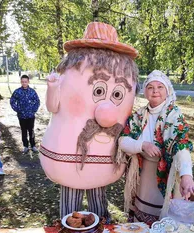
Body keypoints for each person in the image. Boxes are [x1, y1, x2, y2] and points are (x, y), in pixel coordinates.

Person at [39, 22, 138, 221]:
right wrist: (52, 87)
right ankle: (69, 226)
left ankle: (101, 226)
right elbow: (53, 105)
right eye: (99, 91)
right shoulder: (74, 69)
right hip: (71, 156)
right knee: (70, 199)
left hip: (102, 160)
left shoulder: (123, 72)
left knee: (98, 197)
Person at [119, 70, 194, 225]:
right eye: (150, 87)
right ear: (145, 91)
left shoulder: (174, 115)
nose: (155, 90)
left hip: (166, 175)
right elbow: (122, 141)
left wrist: (186, 176)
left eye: (160, 87)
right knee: (141, 216)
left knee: (164, 219)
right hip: (143, 176)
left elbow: (181, 145)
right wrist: (142, 145)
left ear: (167, 91)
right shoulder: (139, 116)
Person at [10, 75, 40, 153]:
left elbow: (37, 101)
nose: (24, 83)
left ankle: (33, 145)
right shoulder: (17, 91)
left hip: (30, 116)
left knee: (31, 130)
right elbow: (12, 101)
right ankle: (25, 146)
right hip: (21, 116)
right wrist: (17, 109)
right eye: (23, 82)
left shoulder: (32, 91)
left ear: (28, 82)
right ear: (21, 82)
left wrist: (34, 110)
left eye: (25, 82)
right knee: (24, 131)